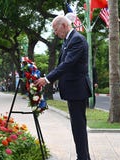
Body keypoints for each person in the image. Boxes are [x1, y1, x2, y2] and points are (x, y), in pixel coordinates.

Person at [34, 15, 92, 160]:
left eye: (55, 29)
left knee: (78, 126)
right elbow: (63, 64)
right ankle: (83, 157)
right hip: (73, 90)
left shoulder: (76, 39)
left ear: (64, 25)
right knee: (77, 126)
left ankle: (83, 157)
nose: (54, 33)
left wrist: (47, 79)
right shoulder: (68, 40)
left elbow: (67, 64)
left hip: (77, 89)